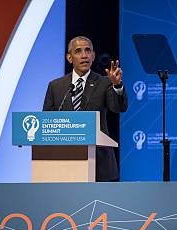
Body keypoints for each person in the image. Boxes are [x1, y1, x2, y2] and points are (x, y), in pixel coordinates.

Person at [43, 36, 128, 181]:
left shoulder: (104, 82)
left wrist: (117, 86)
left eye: (88, 50)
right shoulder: (56, 86)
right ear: (69, 58)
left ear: (93, 56)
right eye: (78, 51)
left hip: (99, 163)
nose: (84, 55)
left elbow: (118, 107)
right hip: (64, 163)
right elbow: (45, 123)